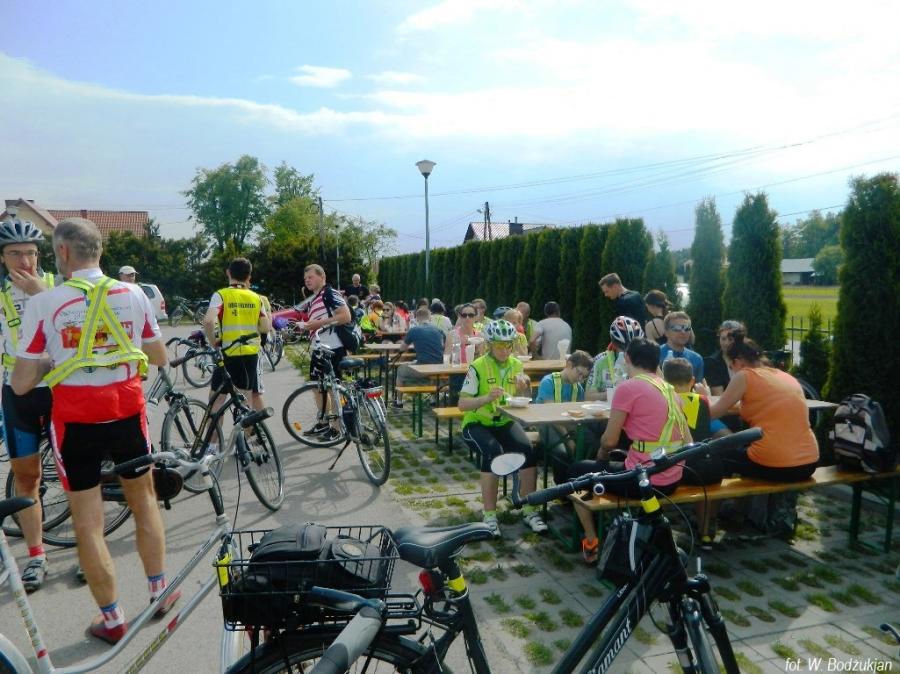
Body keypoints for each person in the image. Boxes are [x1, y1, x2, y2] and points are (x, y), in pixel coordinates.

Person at [11, 217, 174, 643]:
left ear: (63, 252)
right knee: (145, 503)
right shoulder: (134, 293)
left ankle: (113, 619)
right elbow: (159, 356)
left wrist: (54, 360)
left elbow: (21, 384)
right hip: (126, 411)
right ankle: (159, 594)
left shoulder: (45, 303)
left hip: (76, 419)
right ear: (99, 250)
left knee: (87, 523)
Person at [568, 338, 691, 563]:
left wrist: (601, 457)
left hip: (644, 481)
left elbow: (609, 441)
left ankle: (591, 539)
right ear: (657, 362)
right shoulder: (669, 389)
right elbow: (688, 440)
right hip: (673, 477)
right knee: (617, 461)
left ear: (627, 358)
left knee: (576, 471)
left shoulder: (628, 387)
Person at [0, 217, 54, 592]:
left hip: (59, 389)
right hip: (16, 393)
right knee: (27, 477)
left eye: (31, 253)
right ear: (3, 258)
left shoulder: (56, 285)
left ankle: (89, 548)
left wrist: (41, 294)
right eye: (16, 254)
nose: (25, 261)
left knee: (77, 475)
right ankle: (36, 556)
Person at [458, 320, 547, 537]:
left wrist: (525, 387)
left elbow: (524, 399)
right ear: (489, 345)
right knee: (493, 453)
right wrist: (486, 398)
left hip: (504, 421)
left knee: (528, 452)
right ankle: (489, 515)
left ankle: (529, 509)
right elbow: (462, 404)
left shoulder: (516, 364)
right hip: (476, 422)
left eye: (508, 345)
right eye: (499, 345)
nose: (504, 350)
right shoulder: (478, 365)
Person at [710, 336, 819, 481]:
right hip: (809, 462)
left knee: (713, 455)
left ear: (738, 362)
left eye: (730, 366)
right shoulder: (786, 376)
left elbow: (713, 413)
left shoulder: (745, 375)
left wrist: (704, 396)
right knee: (743, 451)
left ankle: (724, 496)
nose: (732, 371)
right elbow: (764, 406)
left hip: (776, 463)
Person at [663, 357, 730, 549]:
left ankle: (662, 529)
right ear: (692, 380)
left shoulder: (664, 400)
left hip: (678, 468)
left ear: (664, 381)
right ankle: (705, 532)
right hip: (703, 468)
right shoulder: (702, 401)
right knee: (708, 486)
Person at [202, 257, 270, 413]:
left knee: (216, 401)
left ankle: (214, 430)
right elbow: (266, 327)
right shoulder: (256, 297)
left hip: (227, 352)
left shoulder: (221, 295)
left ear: (228, 273)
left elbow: (208, 321)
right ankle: (246, 429)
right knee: (246, 402)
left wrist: (214, 343)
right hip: (250, 354)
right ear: (249, 276)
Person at [299, 264, 353, 442]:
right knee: (318, 387)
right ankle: (323, 422)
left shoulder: (330, 293)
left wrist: (317, 324)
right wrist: (308, 326)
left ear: (322, 277)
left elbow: (345, 316)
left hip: (333, 348)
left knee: (333, 389)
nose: (307, 280)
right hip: (320, 349)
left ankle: (337, 429)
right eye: (305, 278)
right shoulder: (315, 297)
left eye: (311, 277)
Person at [535, 351, 594, 486]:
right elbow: (551, 415)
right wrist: (568, 439)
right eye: (579, 373)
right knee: (561, 452)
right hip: (548, 425)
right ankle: (562, 488)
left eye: (583, 377)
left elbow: (578, 414)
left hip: (568, 425)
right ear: (569, 365)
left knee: (592, 442)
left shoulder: (578, 388)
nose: (580, 379)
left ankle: (580, 482)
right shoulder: (548, 382)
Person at [394, 307, 446, 405]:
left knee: (400, 370)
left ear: (417, 318)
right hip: (439, 366)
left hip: (423, 367)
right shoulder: (439, 330)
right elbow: (443, 346)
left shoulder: (414, 330)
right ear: (430, 318)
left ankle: (398, 402)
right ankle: (433, 399)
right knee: (432, 369)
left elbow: (402, 348)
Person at [585, 316, 643, 402]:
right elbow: (588, 396)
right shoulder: (601, 361)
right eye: (623, 348)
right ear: (614, 344)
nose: (627, 353)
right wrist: (611, 394)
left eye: (633, 348)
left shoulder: (644, 362)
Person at [659, 311, 704, 382]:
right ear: (666, 332)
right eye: (677, 328)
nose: (683, 332)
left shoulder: (696, 359)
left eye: (687, 328)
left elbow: (697, 385)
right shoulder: (655, 355)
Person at [704, 320, 746, 396]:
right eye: (723, 339)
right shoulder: (712, 363)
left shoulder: (748, 359)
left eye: (730, 339)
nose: (726, 343)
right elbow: (718, 396)